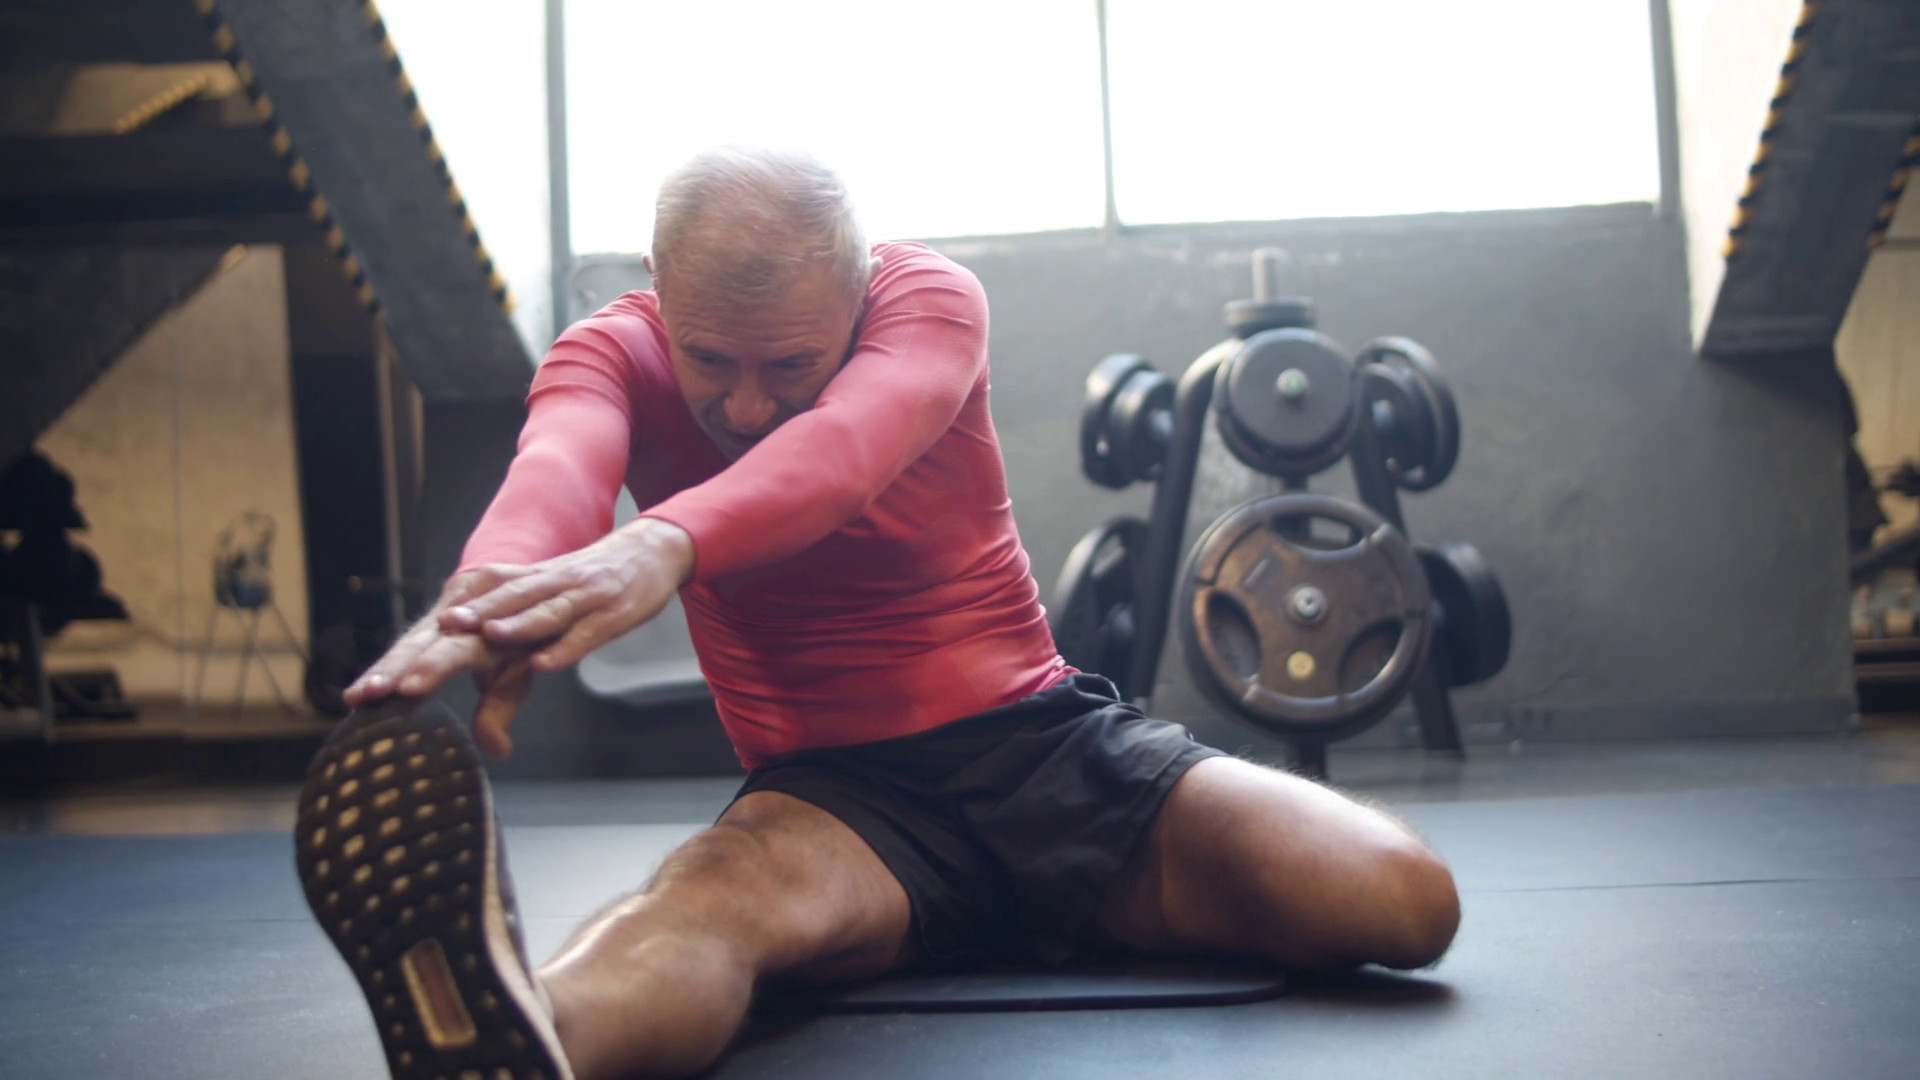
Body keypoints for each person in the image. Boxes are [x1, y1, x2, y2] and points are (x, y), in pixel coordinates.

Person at [301, 146, 1461, 1080]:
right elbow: (555, 469)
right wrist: (486, 593)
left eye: (788, 365)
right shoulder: (608, 353)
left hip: (1051, 750)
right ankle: (516, 1038)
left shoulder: (931, 302)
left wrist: (660, 541)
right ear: (658, 280)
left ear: (857, 290)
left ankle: (1069, 898)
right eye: (711, 361)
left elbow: (841, 456)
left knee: (1405, 902)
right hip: (837, 807)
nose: (746, 406)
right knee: (701, 915)